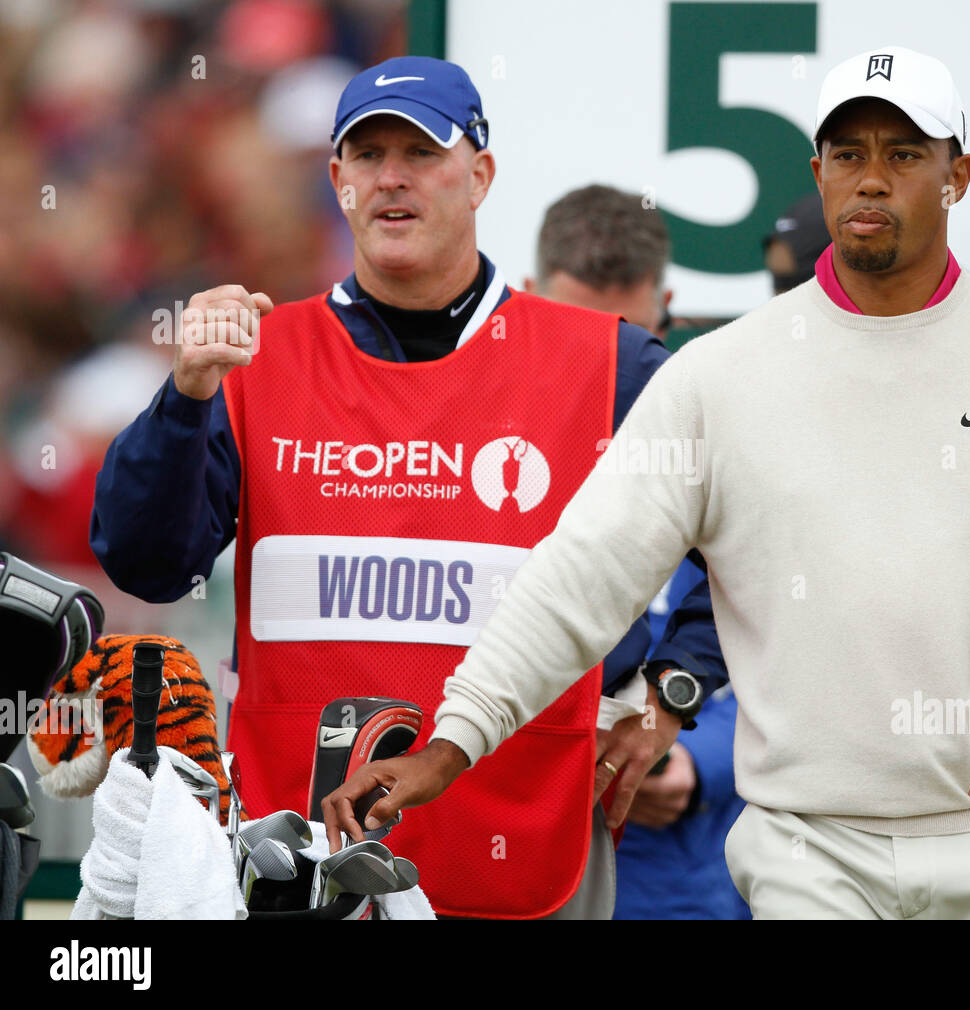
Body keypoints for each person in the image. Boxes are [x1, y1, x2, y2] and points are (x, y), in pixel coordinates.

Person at [322, 45, 970, 919]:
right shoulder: (716, 378)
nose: (873, 178)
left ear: (960, 175)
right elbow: (577, 581)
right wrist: (452, 744)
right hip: (803, 856)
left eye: (906, 154)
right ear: (818, 171)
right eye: (849, 152)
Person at [89, 56, 725, 920]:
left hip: (527, 847)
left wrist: (670, 697)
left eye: (422, 153)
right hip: (298, 857)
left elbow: (752, 532)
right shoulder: (256, 359)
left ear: (480, 176)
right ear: (337, 181)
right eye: (366, 153)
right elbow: (145, 563)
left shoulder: (607, 361)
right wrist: (185, 396)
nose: (392, 176)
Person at [526, 184, 748, 919]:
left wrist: (694, 756)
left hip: (676, 878)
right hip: (509, 852)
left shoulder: (713, 457)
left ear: (669, 309)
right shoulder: (489, 466)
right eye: (580, 331)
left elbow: (791, 626)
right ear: (525, 301)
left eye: (631, 336)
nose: (609, 365)